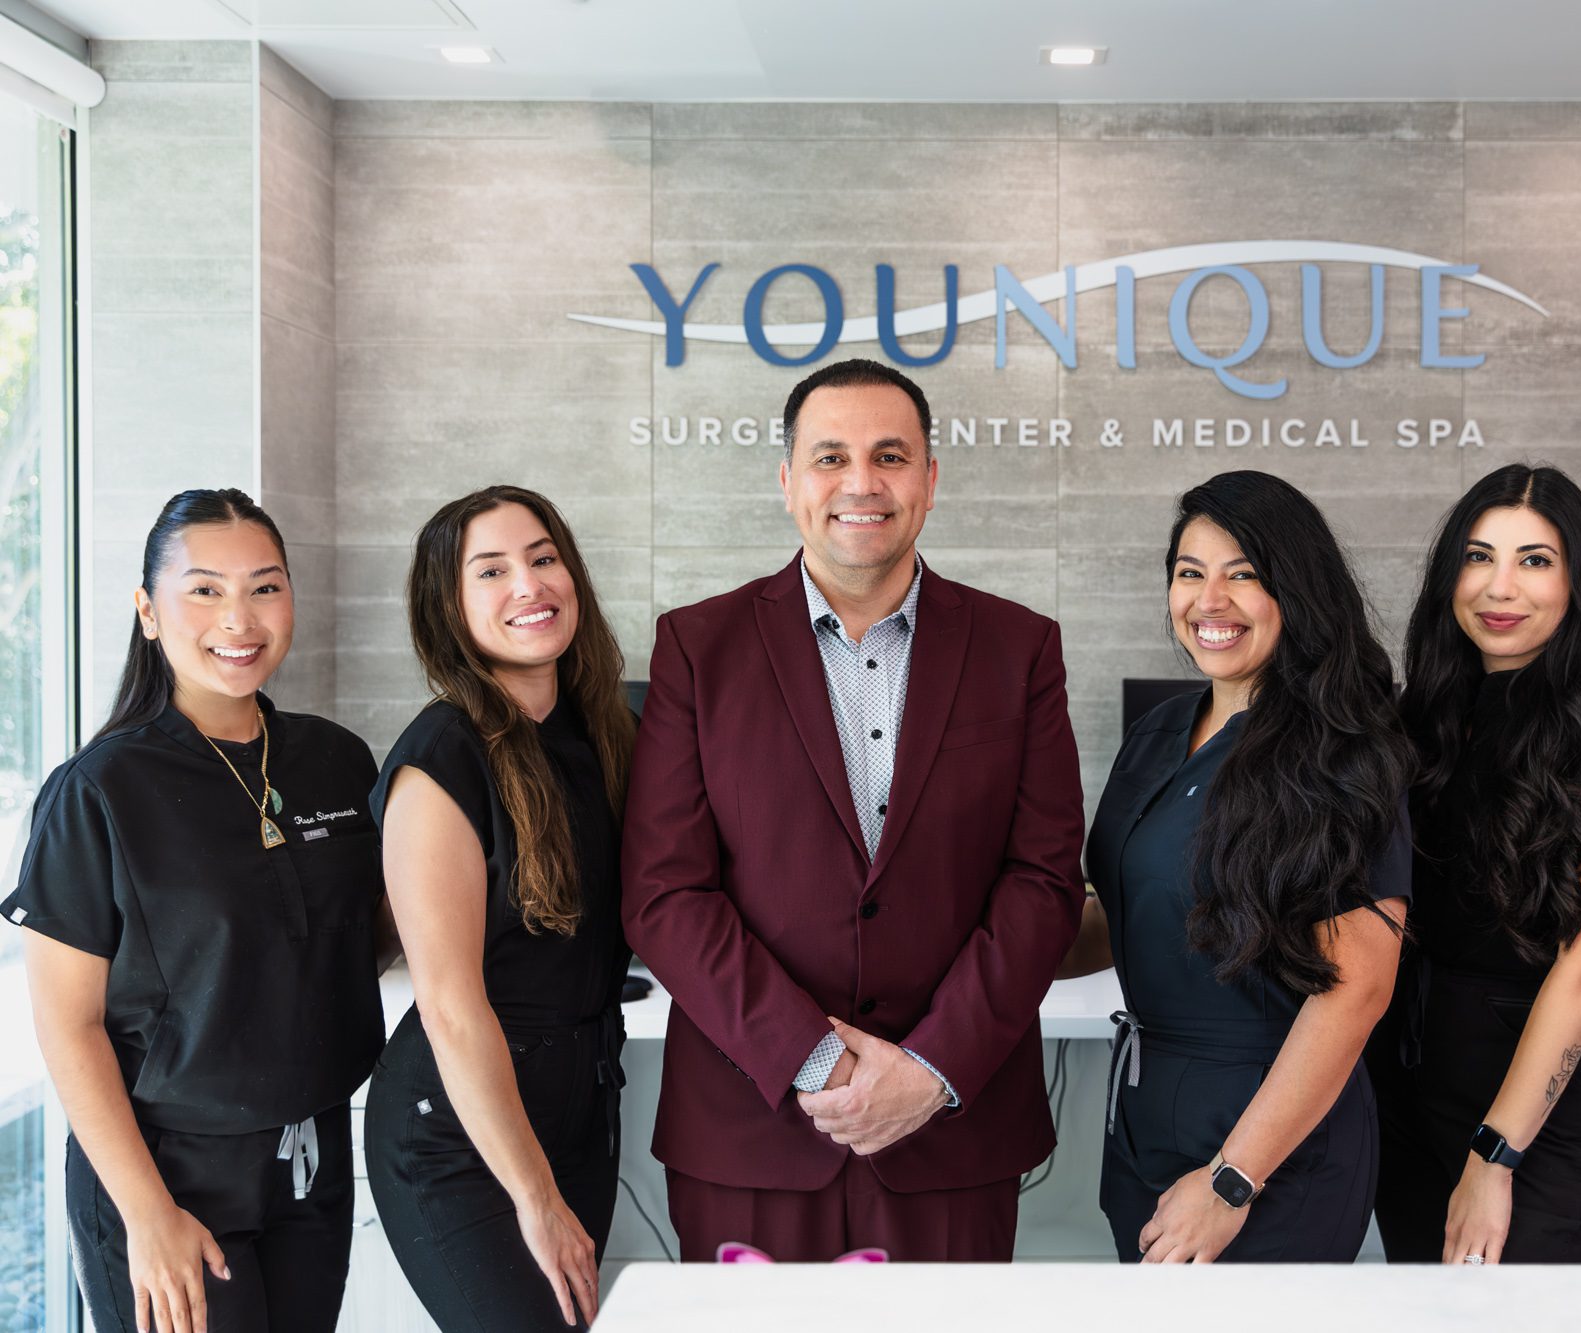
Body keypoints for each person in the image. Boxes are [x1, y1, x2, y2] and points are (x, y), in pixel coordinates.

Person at [622, 357, 1086, 1262]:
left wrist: (928, 1070)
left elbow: (1043, 883)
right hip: (750, 1131)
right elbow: (665, 892)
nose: (862, 483)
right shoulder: (697, 647)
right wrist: (816, 1057)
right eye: (830, 456)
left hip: (948, 1132)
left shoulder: (1019, 648)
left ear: (930, 479)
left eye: (891, 456)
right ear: (788, 481)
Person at [3, 489, 387, 1333]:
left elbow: (362, 933)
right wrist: (145, 1213)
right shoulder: (98, 790)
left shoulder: (335, 760)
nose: (239, 618)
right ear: (149, 610)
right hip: (165, 1172)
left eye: (264, 586)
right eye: (205, 589)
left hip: (310, 1163)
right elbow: (69, 1026)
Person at [1059, 470, 1413, 1263]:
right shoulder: (1158, 733)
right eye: (1191, 573)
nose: (1209, 600)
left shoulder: (1342, 752)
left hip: (1273, 1143)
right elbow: (1119, 923)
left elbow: (1358, 989)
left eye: (1243, 574)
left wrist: (1231, 1178)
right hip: (1148, 1116)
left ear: (1296, 589)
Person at [1365, 464, 1581, 1265]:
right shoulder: (1417, 719)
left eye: (1535, 560)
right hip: (1404, 1087)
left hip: (1536, 1116)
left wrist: (1496, 1156)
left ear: (1577, 578)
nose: (1500, 586)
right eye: (1479, 557)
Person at [364, 486, 636, 1329]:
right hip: (457, 1138)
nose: (529, 584)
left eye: (543, 557)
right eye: (492, 570)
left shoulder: (603, 733)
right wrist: (535, 1194)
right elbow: (449, 1006)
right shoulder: (440, 756)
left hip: (580, 1108)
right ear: (450, 611)